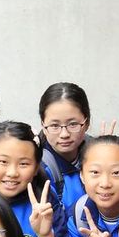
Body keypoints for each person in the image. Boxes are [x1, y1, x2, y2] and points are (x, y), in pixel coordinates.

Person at [37, 81, 93, 209]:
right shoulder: (38, 167)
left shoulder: (98, 153)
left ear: (87, 123)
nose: (64, 134)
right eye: (54, 125)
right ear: (43, 126)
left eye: (73, 124)